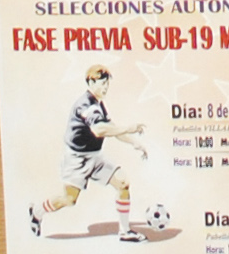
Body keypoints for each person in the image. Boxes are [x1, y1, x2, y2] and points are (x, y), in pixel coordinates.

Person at [30, 65, 149, 242]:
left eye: (107, 83)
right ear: (91, 82)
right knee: (69, 200)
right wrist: (129, 128)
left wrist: (134, 142)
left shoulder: (99, 104)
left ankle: (125, 231)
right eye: (102, 83)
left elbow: (111, 127)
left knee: (123, 183)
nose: (106, 87)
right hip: (77, 160)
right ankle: (37, 211)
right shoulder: (85, 105)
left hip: (95, 156)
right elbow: (99, 130)